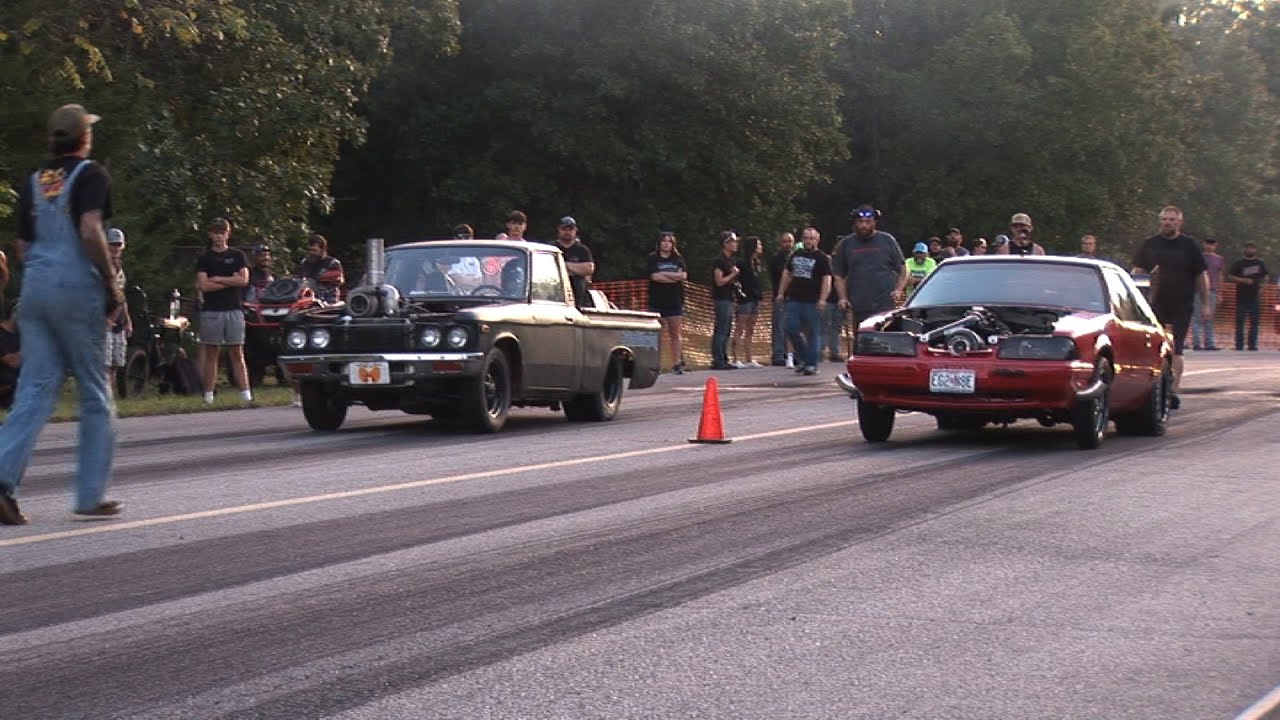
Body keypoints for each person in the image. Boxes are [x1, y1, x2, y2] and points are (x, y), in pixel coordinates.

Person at [1, 103, 122, 525]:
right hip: (76, 289)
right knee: (94, 390)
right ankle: (90, 494)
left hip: (35, 289)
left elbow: (22, 247)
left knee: (34, 387)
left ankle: (1, 477)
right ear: (84, 138)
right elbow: (89, 228)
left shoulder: (35, 181)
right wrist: (110, 280)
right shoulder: (91, 175)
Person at [1131, 205, 1210, 409]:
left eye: (1172, 220)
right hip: (1154, 305)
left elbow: (1201, 275)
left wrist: (1206, 304)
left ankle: (1173, 391)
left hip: (1182, 303)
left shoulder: (1189, 245)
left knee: (1176, 347)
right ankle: (1152, 389)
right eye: (1164, 219)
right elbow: (1137, 272)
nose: (1167, 223)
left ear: (1179, 222)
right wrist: (1135, 300)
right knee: (1153, 347)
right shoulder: (1150, 244)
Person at [196, 218, 253, 405]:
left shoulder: (238, 255)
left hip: (234, 309)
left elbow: (243, 280)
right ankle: (208, 395)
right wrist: (230, 280)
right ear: (210, 235)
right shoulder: (205, 258)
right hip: (212, 310)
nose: (219, 237)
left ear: (228, 234)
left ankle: (246, 394)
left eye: (222, 233)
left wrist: (218, 279)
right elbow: (204, 285)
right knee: (212, 353)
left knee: (237, 352)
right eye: (216, 233)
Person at [831, 205, 907, 325]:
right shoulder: (846, 244)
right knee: (862, 335)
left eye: (868, 222)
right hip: (858, 304)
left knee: (884, 334)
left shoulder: (887, 240)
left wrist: (898, 290)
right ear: (855, 223)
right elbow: (838, 275)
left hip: (884, 304)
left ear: (874, 222)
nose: (864, 225)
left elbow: (903, 269)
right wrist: (843, 297)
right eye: (860, 222)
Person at [775, 226, 832, 375]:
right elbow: (786, 274)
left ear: (817, 240)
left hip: (812, 301)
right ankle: (804, 358)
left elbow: (827, 279)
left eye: (812, 238)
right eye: (806, 238)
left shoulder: (822, 258)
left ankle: (811, 364)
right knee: (790, 328)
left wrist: (823, 299)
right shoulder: (795, 254)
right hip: (794, 298)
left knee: (813, 333)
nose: (809, 241)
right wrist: (781, 293)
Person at [646, 232, 688, 374]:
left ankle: (676, 363)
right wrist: (674, 276)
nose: (666, 244)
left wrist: (665, 274)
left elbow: (683, 276)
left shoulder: (678, 258)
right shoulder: (653, 258)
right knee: (655, 334)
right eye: (663, 241)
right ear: (659, 243)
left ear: (673, 244)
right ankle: (654, 364)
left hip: (674, 300)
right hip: (656, 301)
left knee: (675, 333)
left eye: (669, 241)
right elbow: (655, 277)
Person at [1226, 242, 1269, 352]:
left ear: (1255, 250)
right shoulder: (1238, 263)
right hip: (1241, 296)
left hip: (1255, 296)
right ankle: (1239, 345)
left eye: (1252, 248)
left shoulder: (1260, 263)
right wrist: (1242, 280)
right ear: (1244, 249)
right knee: (1240, 322)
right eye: (1248, 248)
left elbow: (1266, 277)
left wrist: (1262, 288)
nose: (1250, 250)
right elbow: (1230, 276)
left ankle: (1252, 345)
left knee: (1254, 322)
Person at [731, 236, 766, 368]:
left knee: (750, 329)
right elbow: (735, 280)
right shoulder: (741, 263)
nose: (761, 247)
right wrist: (739, 295)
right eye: (758, 245)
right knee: (740, 327)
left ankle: (749, 358)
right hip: (744, 299)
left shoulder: (757, 263)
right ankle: (735, 359)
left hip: (755, 298)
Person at [104, 228, 132, 387]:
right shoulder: (101, 267)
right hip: (104, 322)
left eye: (118, 244)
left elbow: (122, 296)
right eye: (112, 244)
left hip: (119, 323)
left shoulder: (120, 268)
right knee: (104, 364)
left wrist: (128, 320)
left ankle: (109, 397)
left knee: (116, 363)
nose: (115, 248)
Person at [710, 231, 741, 370]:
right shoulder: (719, 261)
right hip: (721, 298)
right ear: (726, 243)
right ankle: (718, 359)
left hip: (729, 297)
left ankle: (724, 356)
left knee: (727, 329)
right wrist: (733, 274)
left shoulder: (730, 261)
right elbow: (719, 281)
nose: (736, 244)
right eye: (733, 242)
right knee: (721, 329)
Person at [767, 231, 796, 366]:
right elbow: (785, 276)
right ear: (780, 243)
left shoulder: (796, 258)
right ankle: (778, 355)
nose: (787, 244)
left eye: (790, 241)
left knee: (792, 327)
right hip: (781, 297)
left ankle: (790, 354)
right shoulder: (776, 259)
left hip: (795, 297)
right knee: (779, 326)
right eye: (785, 241)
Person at [1191, 237, 1225, 351]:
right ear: (1204, 244)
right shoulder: (1197, 257)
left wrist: (1220, 291)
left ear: (1215, 246)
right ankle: (1196, 343)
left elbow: (1220, 275)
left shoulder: (1219, 259)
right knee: (1197, 316)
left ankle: (1209, 343)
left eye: (1212, 244)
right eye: (1208, 244)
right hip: (1198, 290)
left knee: (1209, 317)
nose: (1210, 246)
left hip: (1212, 290)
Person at [554, 216, 595, 308]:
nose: (567, 232)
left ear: (575, 230)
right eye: (564, 229)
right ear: (559, 229)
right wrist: (576, 269)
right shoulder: (552, 248)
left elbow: (589, 269)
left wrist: (565, 265)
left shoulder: (582, 250)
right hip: (555, 291)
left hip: (578, 295)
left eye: (570, 229)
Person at [294, 234, 345, 303]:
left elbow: (341, 281)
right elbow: (299, 279)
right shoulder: (305, 262)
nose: (311, 253)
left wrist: (330, 278)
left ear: (322, 250)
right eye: (309, 250)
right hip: (308, 298)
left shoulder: (333, 262)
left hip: (328, 299)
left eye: (314, 250)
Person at [0, 308, 20, 410]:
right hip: (6, 386)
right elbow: (12, 362)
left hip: (16, 385)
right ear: (14, 314)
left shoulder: (20, 334)